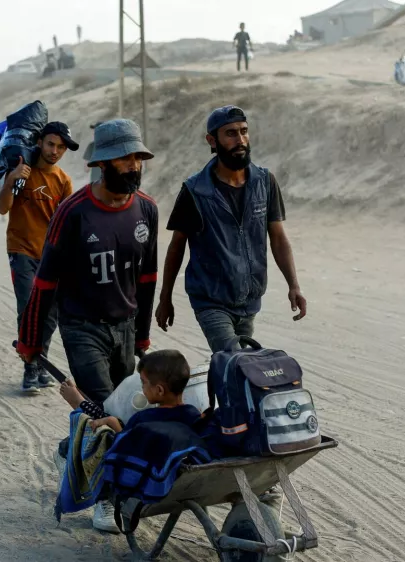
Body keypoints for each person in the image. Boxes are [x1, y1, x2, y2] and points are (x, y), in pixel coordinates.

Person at [17, 118, 157, 406]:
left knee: (124, 406)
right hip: (83, 328)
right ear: (103, 164)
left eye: (137, 158)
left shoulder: (147, 209)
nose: (133, 165)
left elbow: (147, 278)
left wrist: (141, 334)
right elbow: (45, 281)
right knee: (104, 407)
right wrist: (31, 340)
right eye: (124, 158)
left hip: (126, 326)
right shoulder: (72, 212)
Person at [156, 106, 306, 354]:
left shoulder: (264, 182)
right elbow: (176, 246)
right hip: (210, 300)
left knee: (237, 366)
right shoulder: (195, 191)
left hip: (249, 301)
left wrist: (294, 285)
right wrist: (165, 298)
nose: (240, 140)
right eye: (231, 133)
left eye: (244, 132)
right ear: (212, 141)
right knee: (234, 359)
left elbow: (278, 238)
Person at [0, 122, 77, 393]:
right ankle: (31, 367)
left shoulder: (64, 181)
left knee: (51, 314)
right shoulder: (23, 173)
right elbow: (2, 207)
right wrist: (12, 178)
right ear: (40, 142)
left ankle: (38, 360)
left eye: (61, 147)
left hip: (51, 255)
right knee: (28, 308)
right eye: (51, 144)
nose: (55, 151)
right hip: (21, 249)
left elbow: (69, 223)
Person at [59, 350, 199, 434]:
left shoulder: (144, 419)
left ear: (159, 390)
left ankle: (81, 403)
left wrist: (113, 423)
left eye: (143, 382)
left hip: (146, 473)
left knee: (108, 422)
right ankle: (82, 402)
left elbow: (123, 444)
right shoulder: (194, 414)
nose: (142, 387)